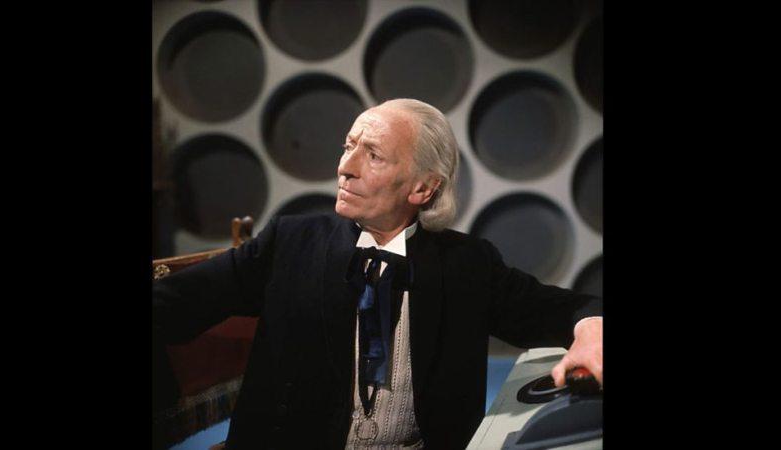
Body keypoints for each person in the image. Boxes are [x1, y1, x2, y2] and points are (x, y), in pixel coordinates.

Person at [153, 98, 602, 449]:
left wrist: (593, 331)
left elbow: (566, 309)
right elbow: (176, 302)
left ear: (423, 187)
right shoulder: (289, 242)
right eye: (348, 146)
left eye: (373, 155)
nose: (344, 168)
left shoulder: (468, 264)